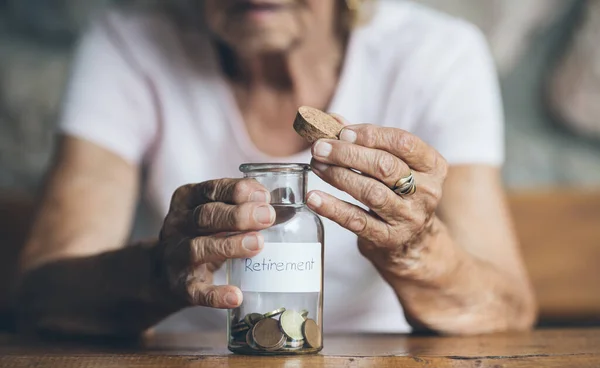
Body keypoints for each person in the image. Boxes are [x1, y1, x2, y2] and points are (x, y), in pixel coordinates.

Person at [15, 0, 536, 337]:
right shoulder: (128, 46)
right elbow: (40, 298)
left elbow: (506, 310)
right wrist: (161, 271)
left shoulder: (436, 54)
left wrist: (415, 247)